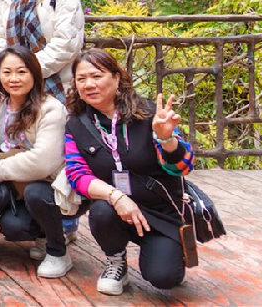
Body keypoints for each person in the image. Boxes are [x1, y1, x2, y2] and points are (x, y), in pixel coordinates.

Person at [64, 49, 194, 295]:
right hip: (116, 208)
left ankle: (168, 251)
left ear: (116, 77)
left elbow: (182, 167)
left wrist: (167, 140)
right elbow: (77, 175)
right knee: (101, 209)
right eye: (81, 79)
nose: (89, 84)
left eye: (97, 76)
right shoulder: (76, 124)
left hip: (159, 209)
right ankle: (116, 261)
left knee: (164, 278)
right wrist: (116, 197)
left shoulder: (147, 114)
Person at [0, 46, 74, 278]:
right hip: (16, 184)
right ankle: (45, 234)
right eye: (7, 72)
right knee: (14, 226)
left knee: (36, 193)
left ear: (35, 74)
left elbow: (44, 161)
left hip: (50, 184)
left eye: (21, 72)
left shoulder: (51, 108)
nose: (14, 79)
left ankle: (57, 251)